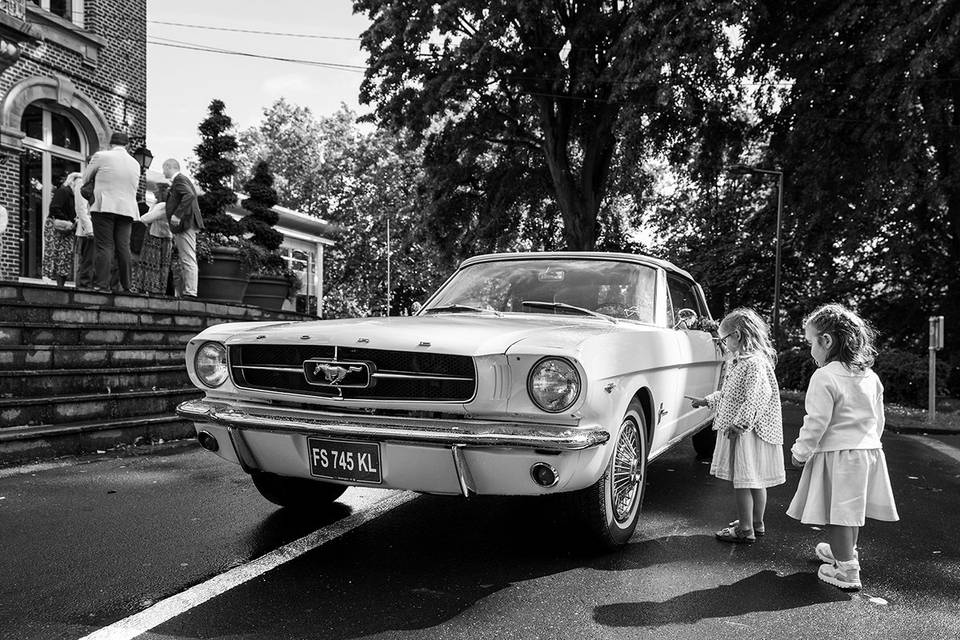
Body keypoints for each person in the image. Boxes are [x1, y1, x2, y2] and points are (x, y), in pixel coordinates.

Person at [787, 304, 899, 590]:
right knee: (850, 511)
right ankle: (844, 553)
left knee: (839, 513)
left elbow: (816, 422)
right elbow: (878, 419)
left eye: (811, 342)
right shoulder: (870, 377)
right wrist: (870, 445)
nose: (810, 348)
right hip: (866, 453)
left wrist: (800, 453)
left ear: (825, 341)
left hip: (838, 455)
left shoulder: (825, 376)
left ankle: (847, 569)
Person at [690, 308, 785, 543]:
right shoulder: (740, 361)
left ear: (738, 335)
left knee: (743, 482)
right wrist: (707, 401)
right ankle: (755, 522)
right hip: (747, 430)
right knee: (755, 480)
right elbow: (730, 394)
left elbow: (756, 396)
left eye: (724, 339)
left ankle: (745, 529)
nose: (722, 343)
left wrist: (739, 425)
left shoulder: (753, 364)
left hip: (747, 433)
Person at [81, 131, 141, 292]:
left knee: (104, 246)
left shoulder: (101, 156)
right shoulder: (135, 163)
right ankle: (127, 286)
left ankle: (102, 285)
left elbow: (85, 178)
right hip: (127, 209)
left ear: (110, 144)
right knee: (123, 247)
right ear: (127, 145)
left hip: (104, 205)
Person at [162, 159, 203, 298]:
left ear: (169, 167)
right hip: (186, 223)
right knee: (186, 257)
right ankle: (189, 290)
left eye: (164, 168)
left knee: (187, 258)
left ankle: (191, 292)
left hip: (185, 224)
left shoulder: (179, 179)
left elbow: (189, 195)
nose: (163, 172)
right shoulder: (180, 180)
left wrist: (177, 215)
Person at [133, 184, 174, 295]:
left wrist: (140, 218)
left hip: (156, 238)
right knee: (161, 266)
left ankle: (152, 288)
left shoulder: (162, 205)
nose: (154, 193)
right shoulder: (168, 205)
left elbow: (146, 218)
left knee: (152, 264)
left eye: (156, 190)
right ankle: (158, 289)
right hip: (165, 238)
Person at [42, 174, 78, 286]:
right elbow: (54, 208)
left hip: (68, 228)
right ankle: (48, 281)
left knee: (65, 255)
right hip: (56, 226)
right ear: (73, 182)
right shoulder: (63, 191)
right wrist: (68, 221)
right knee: (52, 252)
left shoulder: (75, 196)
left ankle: (60, 284)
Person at [70, 171, 95, 289]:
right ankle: (82, 288)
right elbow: (81, 208)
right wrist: (89, 229)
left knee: (92, 261)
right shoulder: (81, 182)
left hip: (95, 228)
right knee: (86, 261)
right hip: (87, 231)